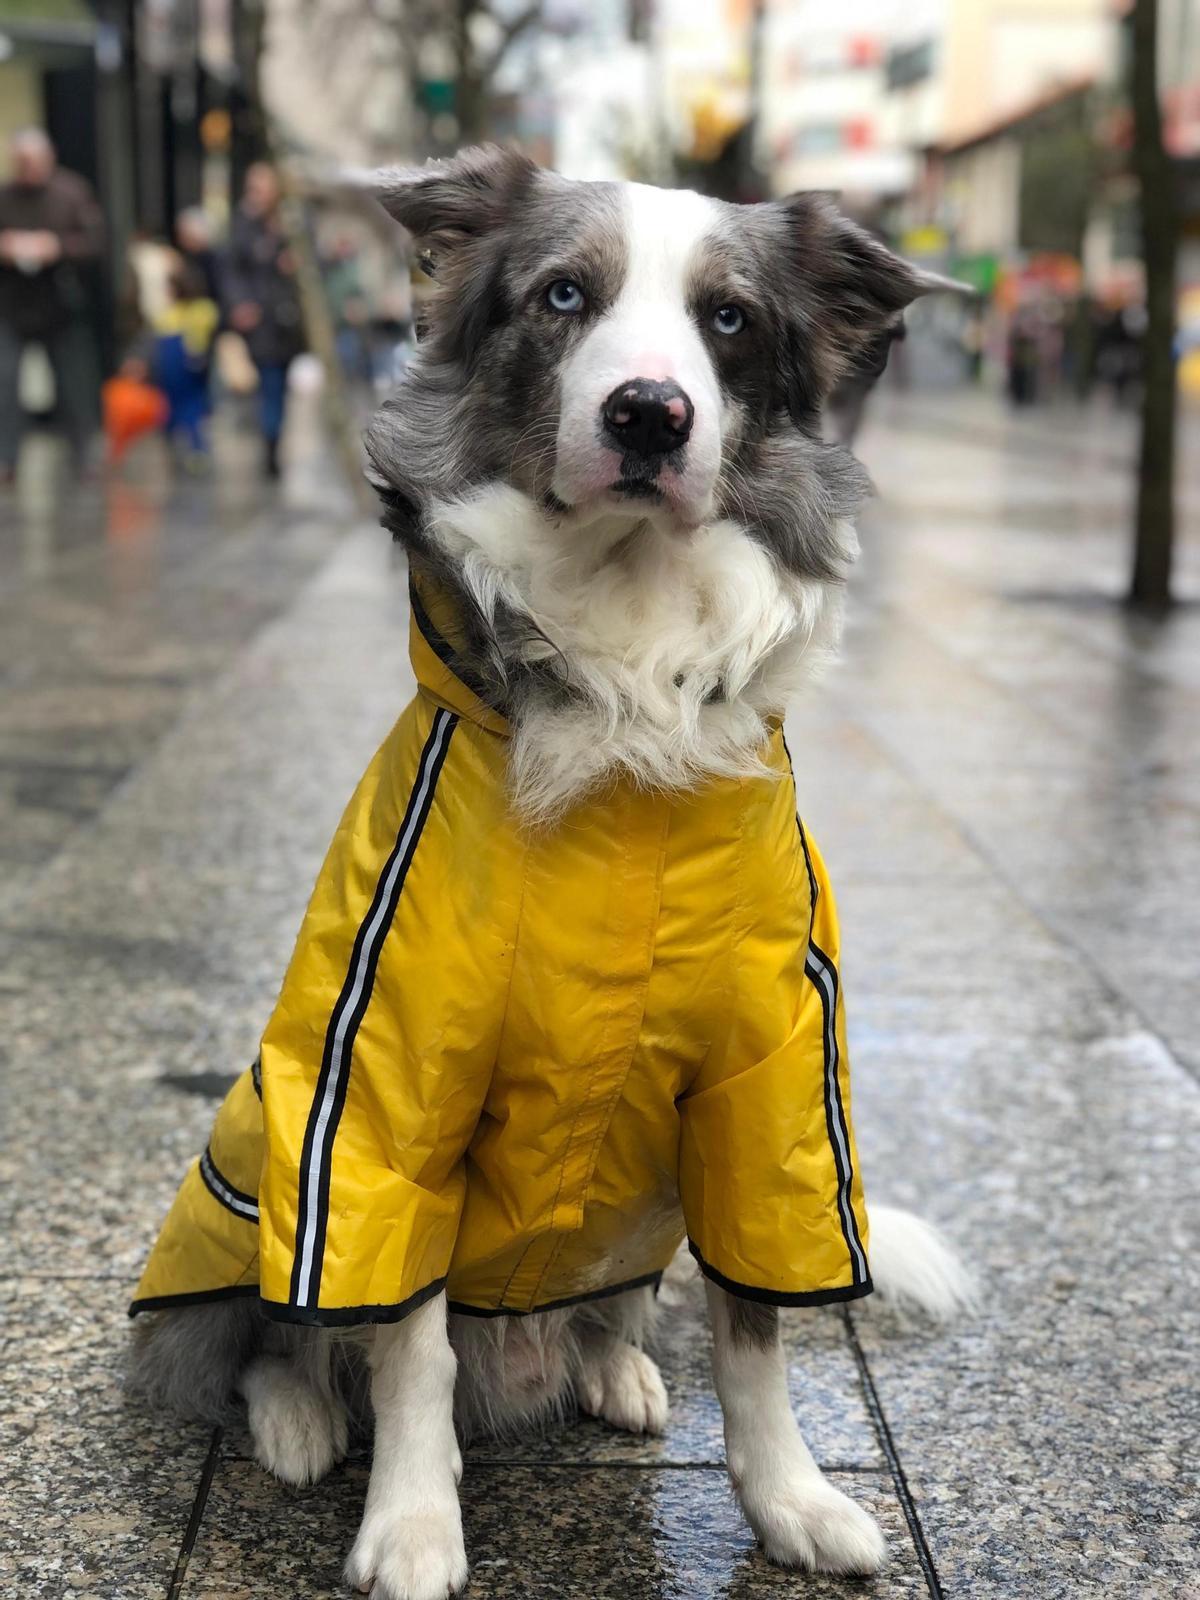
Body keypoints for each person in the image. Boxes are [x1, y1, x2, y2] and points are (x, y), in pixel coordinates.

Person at [0, 128, 104, 483]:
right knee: (6, 381)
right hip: (12, 303)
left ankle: (84, 454)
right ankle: (6, 458)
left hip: (60, 303)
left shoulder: (70, 193)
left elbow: (95, 241)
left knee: (72, 383)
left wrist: (57, 247)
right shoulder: (5, 196)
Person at [222, 163, 304, 478]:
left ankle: (272, 439)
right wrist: (241, 304)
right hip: (260, 322)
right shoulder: (244, 224)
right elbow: (232, 269)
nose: (254, 193)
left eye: (261, 186)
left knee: (279, 386)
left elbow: (313, 262)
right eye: (251, 186)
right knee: (269, 384)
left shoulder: (292, 221)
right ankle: (270, 444)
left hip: (288, 321)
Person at [153, 265, 220, 467]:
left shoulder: (174, 313)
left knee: (181, 408)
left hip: (179, 366)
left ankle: (184, 448)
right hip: (187, 366)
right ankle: (195, 449)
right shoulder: (205, 309)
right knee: (190, 409)